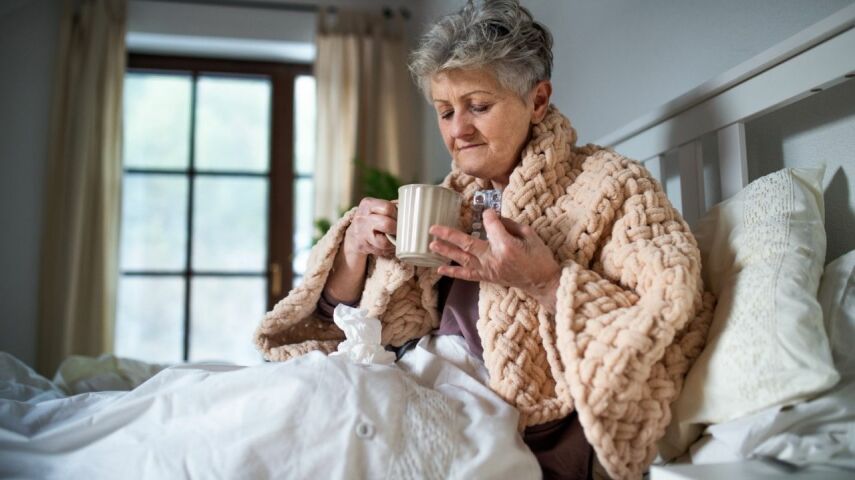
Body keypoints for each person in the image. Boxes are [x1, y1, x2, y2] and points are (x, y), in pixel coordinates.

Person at [255, 1, 714, 479]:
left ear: (537, 101)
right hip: (411, 382)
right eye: (446, 111)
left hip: (504, 422)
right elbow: (332, 333)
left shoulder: (613, 187)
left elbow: (668, 314)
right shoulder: (450, 199)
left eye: (478, 106)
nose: (458, 130)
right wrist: (352, 252)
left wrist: (544, 282)